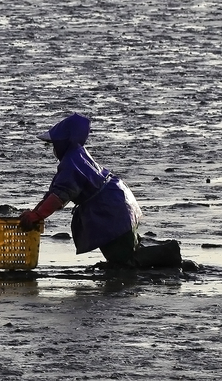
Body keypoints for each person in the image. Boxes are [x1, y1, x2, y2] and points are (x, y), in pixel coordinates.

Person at [18, 113, 144, 267]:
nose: (54, 149)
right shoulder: (78, 156)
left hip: (111, 210)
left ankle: (167, 253)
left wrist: (37, 215)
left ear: (63, 143)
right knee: (127, 251)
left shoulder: (71, 163)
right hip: (118, 201)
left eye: (54, 144)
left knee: (125, 260)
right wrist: (35, 212)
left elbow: (59, 196)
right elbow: (54, 192)